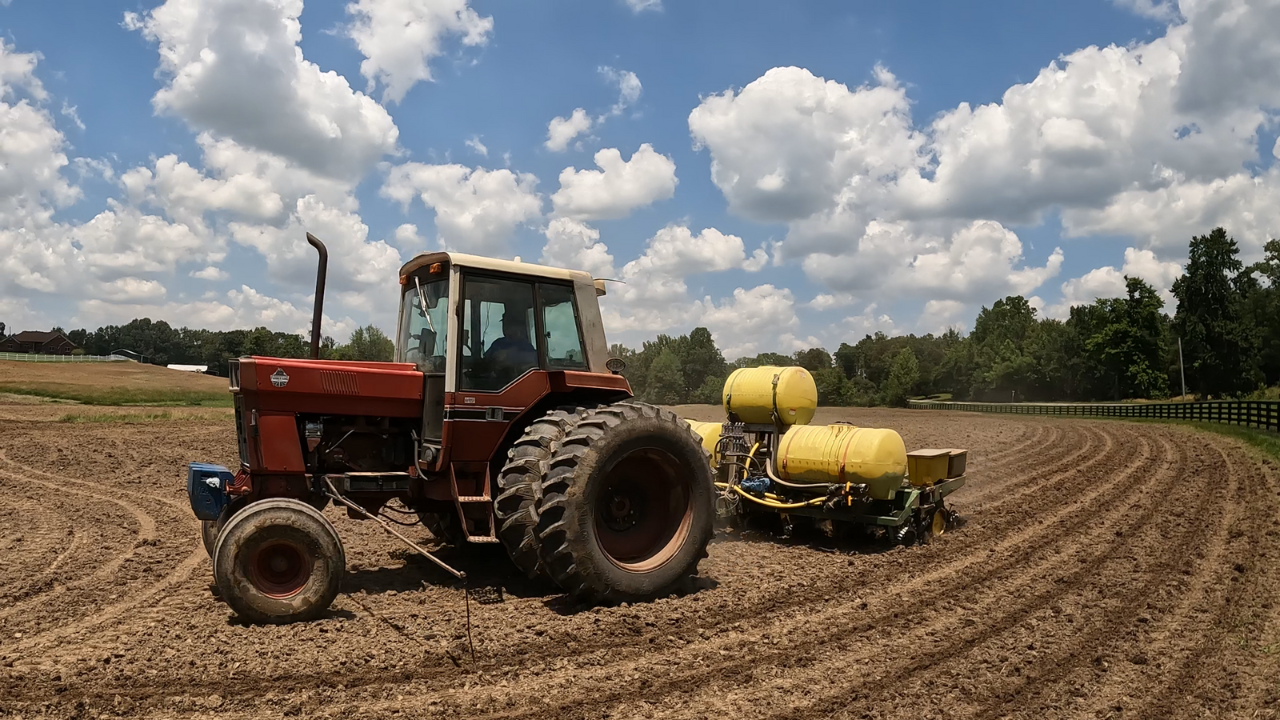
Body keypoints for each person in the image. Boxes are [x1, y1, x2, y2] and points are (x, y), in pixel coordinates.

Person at [484, 310, 537, 382]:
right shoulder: (498, 343)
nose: (505, 327)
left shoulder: (525, 345)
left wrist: (509, 355)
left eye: (508, 324)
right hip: (497, 382)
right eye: (504, 324)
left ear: (516, 327)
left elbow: (533, 363)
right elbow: (486, 361)